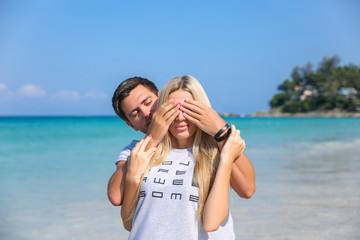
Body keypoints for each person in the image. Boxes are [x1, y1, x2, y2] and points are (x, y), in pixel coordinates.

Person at [121, 75, 246, 239]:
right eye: (173, 109)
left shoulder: (218, 150)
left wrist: (225, 149)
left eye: (188, 108)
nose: (180, 116)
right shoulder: (140, 152)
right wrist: (132, 174)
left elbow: (214, 220)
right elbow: (129, 222)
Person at [108, 76, 255, 207]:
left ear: (161, 97)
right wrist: (153, 138)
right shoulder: (133, 151)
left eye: (148, 102)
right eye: (135, 113)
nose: (146, 113)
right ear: (131, 125)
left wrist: (220, 130)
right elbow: (116, 197)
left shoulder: (211, 142)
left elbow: (247, 190)